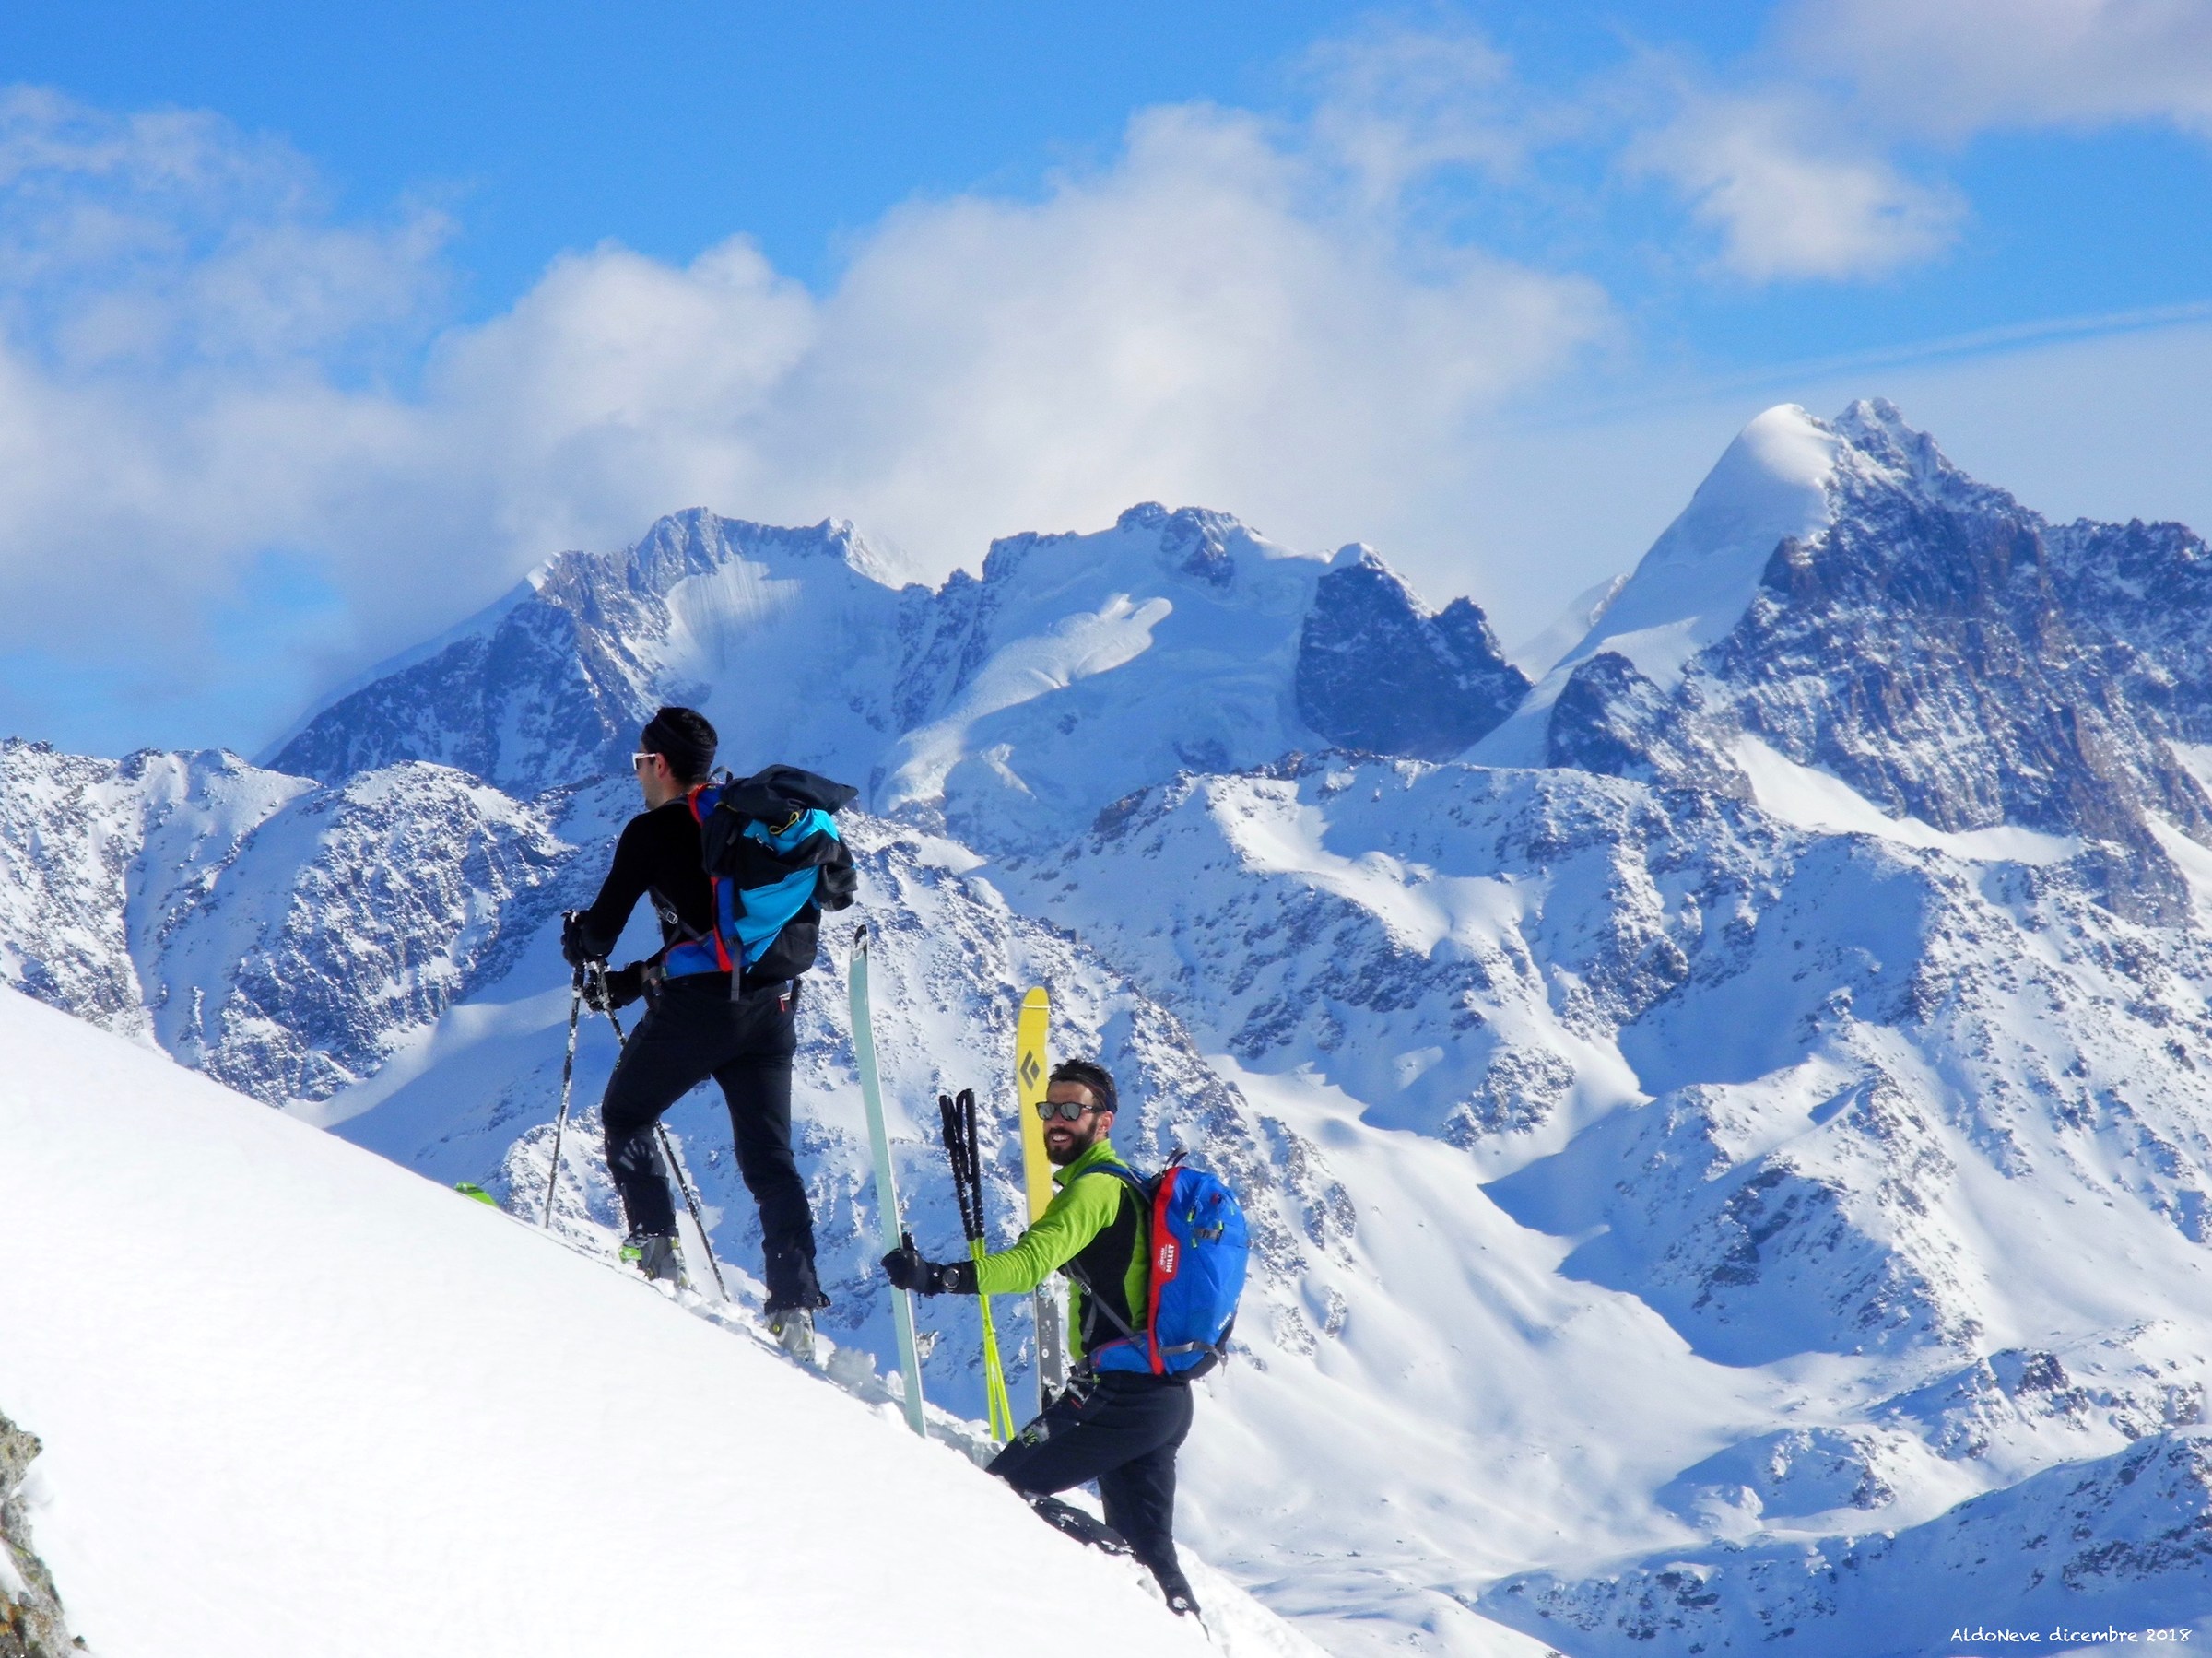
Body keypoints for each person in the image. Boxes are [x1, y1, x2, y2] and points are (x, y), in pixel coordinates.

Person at [560, 705, 837, 1358]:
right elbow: (711, 936)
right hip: (770, 1006)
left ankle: (656, 1251)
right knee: (771, 1161)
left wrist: (581, 943)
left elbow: (601, 930)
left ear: (658, 764)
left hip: (697, 1011)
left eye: (637, 763)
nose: (636, 776)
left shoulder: (651, 832)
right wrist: (633, 980)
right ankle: (794, 1304)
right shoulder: (743, 821)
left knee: (626, 1113)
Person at [882, 1059, 1201, 1617]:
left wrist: (940, 1277)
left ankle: (1103, 1577)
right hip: (1162, 1399)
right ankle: (1183, 1630)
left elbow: (1029, 1265)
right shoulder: (1126, 1188)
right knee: (1154, 1558)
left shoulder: (1094, 1192)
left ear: (1103, 1122)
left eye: (1071, 1109)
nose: (1056, 1120)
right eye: (1048, 1108)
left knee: (1002, 1493)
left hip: (1123, 1395)